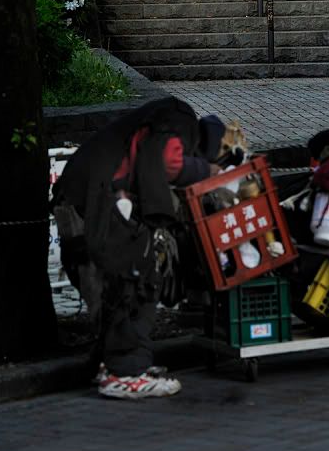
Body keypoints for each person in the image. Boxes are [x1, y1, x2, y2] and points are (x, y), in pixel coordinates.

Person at [51, 97, 227, 400]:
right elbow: (169, 163)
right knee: (133, 281)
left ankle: (113, 365)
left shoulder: (153, 117)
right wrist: (207, 170)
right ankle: (127, 373)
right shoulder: (179, 120)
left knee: (110, 285)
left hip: (78, 202)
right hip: (98, 205)